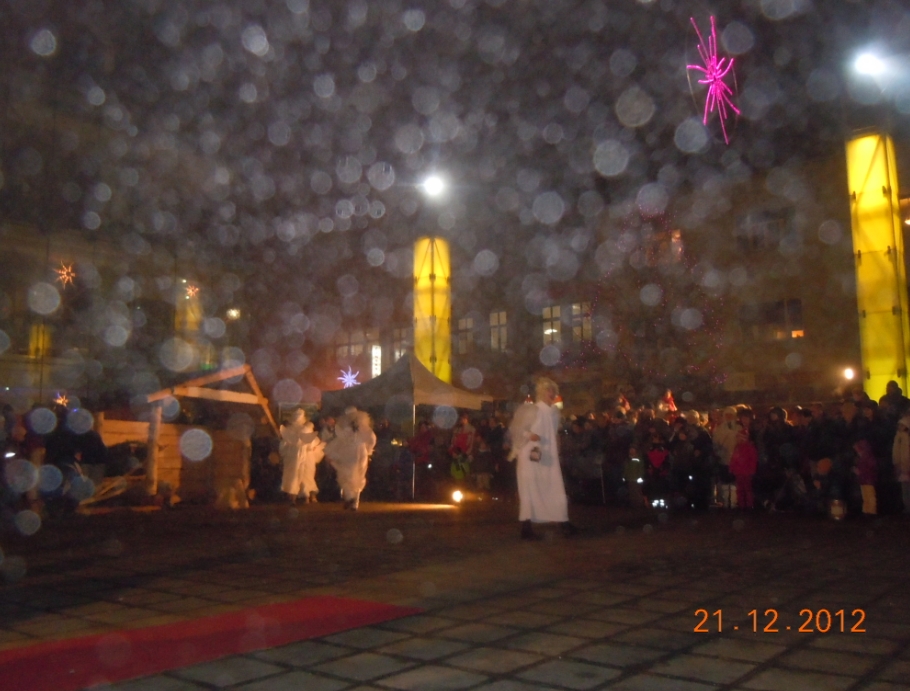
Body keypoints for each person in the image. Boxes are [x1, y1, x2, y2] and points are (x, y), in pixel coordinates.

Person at [508, 377, 577, 540]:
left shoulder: (554, 413)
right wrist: (529, 435)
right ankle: (526, 527)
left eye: (553, 390)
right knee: (529, 489)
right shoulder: (532, 410)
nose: (551, 393)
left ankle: (562, 520)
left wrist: (557, 449)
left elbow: (554, 433)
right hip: (530, 455)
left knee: (555, 487)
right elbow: (516, 428)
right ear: (541, 392)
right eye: (548, 390)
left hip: (548, 456)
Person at [325, 407, 376, 510]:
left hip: (349, 452)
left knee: (346, 474)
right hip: (362, 452)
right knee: (359, 475)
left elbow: (339, 440)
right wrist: (368, 449)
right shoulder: (364, 428)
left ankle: (350, 497)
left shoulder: (343, 427)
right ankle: (355, 503)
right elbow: (372, 439)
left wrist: (332, 453)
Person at [279, 410, 324, 504]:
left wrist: (285, 454)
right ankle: (306, 496)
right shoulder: (305, 429)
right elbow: (311, 445)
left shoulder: (289, 430)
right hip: (305, 456)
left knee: (294, 476)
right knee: (305, 476)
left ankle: (294, 497)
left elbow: (283, 445)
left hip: (293, 456)